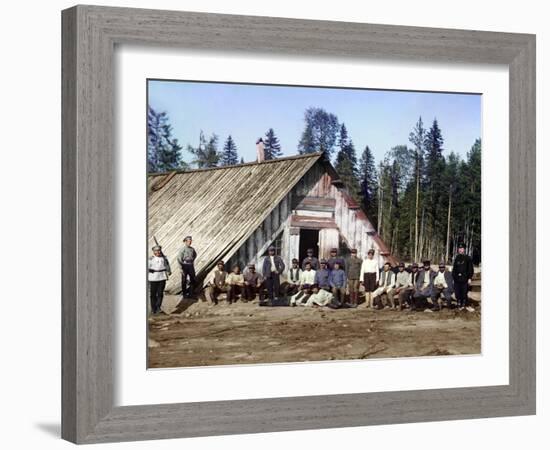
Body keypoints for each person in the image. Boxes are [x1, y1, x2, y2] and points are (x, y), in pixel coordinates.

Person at [148, 245, 171, 314]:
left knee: (160, 293)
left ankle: (158, 308)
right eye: (156, 251)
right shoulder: (150, 259)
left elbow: (167, 266)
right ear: (154, 252)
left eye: (159, 250)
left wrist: (169, 271)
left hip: (162, 277)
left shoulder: (163, 258)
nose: (158, 252)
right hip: (153, 278)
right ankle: (153, 309)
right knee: (153, 294)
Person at [452, 243, 474, 310]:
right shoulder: (457, 258)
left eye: (462, 249)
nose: (460, 250)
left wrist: (469, 278)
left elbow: (470, 268)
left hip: (464, 278)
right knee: (457, 292)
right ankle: (458, 303)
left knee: (464, 292)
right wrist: (454, 277)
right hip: (457, 279)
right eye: (459, 248)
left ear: (464, 249)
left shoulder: (468, 258)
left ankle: (463, 304)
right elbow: (454, 269)